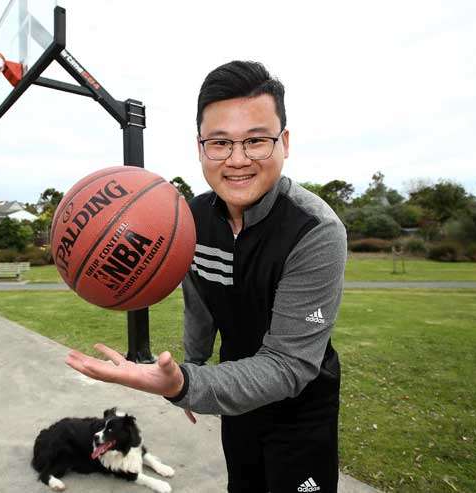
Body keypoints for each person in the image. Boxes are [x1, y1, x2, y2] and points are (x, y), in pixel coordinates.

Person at [66, 60, 347, 493]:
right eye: (220, 142)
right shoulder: (187, 218)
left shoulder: (315, 230)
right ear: (200, 147)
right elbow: (198, 300)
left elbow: (289, 365)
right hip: (234, 393)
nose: (238, 160)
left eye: (257, 141)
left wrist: (188, 384)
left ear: (284, 142)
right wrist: (193, 363)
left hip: (301, 404)